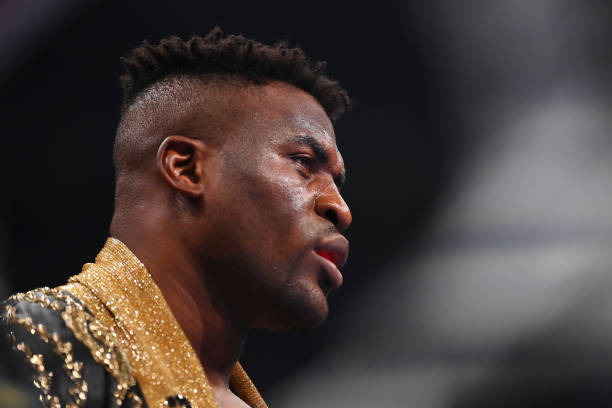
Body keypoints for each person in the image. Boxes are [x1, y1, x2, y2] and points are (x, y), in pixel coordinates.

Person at [0, 27, 352, 408]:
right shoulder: (25, 346)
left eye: (337, 181)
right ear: (186, 168)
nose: (341, 209)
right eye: (303, 162)